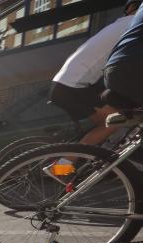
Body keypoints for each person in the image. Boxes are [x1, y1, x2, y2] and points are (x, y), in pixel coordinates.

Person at [48, 0, 140, 147]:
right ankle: (61, 167)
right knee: (113, 122)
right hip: (74, 86)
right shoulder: (134, 26)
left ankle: (105, 156)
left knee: (123, 111)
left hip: (67, 83)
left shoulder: (120, 24)